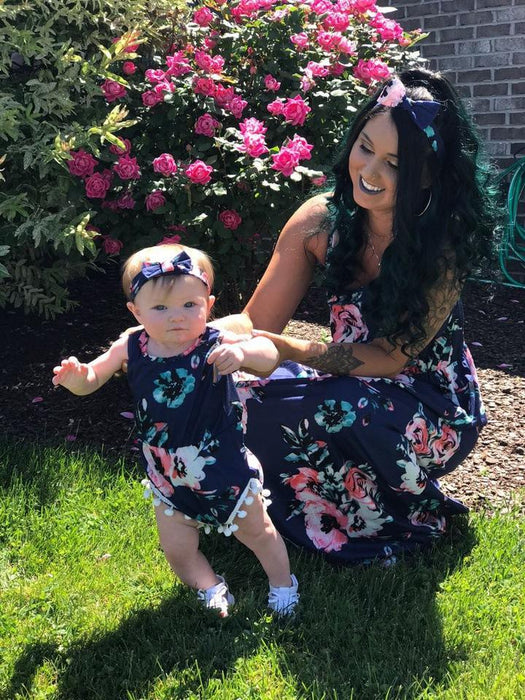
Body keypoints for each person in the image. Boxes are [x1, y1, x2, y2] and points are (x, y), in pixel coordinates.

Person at [217, 68, 500, 565]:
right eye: (365, 147)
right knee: (235, 389)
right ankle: (281, 509)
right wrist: (187, 334)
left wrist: (288, 351)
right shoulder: (317, 222)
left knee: (343, 404)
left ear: (428, 175)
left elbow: (389, 358)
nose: (370, 171)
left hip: (432, 405)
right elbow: (255, 319)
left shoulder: (443, 246)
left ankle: (396, 519)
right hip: (345, 378)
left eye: (396, 164)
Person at [52, 244, 299, 616]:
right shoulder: (131, 345)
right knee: (177, 549)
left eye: (190, 305)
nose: (177, 318)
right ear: (136, 312)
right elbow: (92, 378)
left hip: (222, 463)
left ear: (209, 305)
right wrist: (76, 378)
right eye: (161, 308)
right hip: (167, 472)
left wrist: (244, 355)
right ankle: (209, 585)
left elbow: (266, 353)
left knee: (258, 533)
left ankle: (283, 586)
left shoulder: (214, 342)